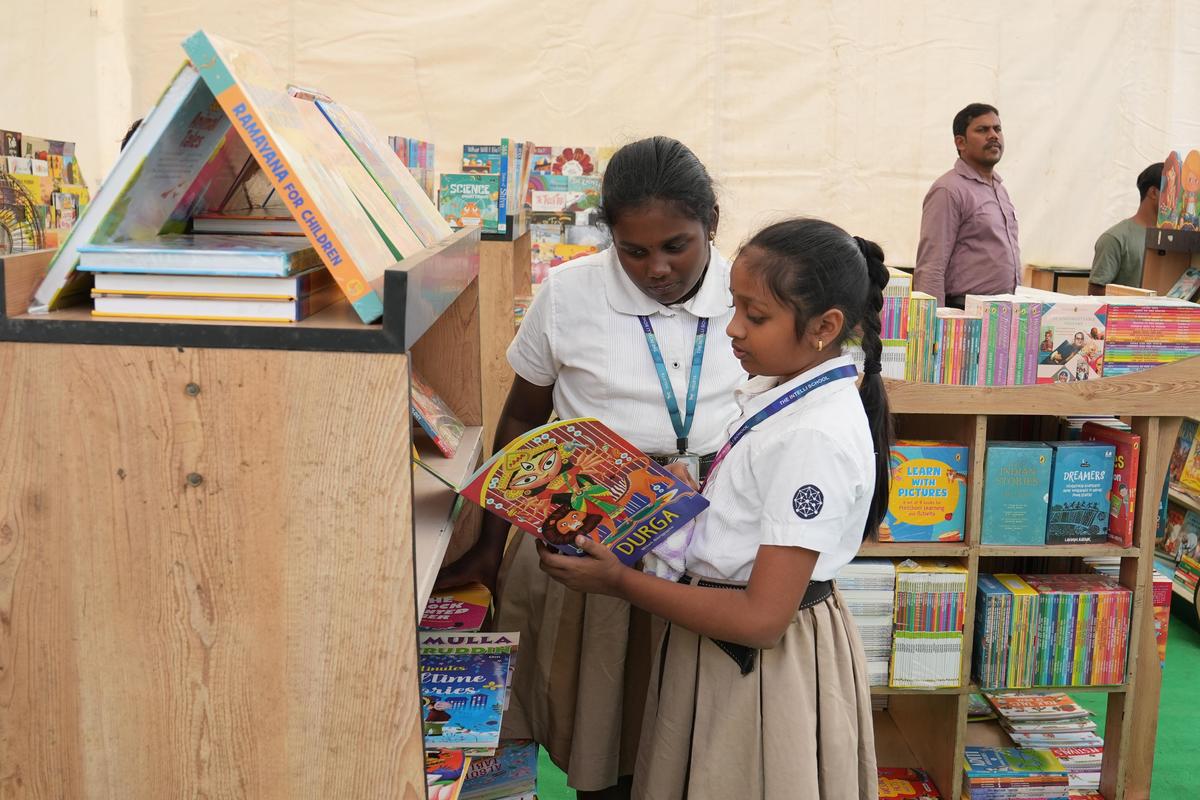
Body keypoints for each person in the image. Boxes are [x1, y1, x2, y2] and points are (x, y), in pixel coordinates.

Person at [436, 136, 746, 799]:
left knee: (699, 746)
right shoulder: (570, 292)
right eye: (634, 251)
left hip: (713, 546)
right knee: (601, 740)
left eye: (676, 246)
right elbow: (523, 419)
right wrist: (489, 546)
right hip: (595, 538)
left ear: (710, 226)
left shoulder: (750, 293)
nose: (656, 268)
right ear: (610, 237)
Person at [539, 218, 888, 799]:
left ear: (824, 327)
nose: (733, 329)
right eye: (735, 308)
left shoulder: (813, 435)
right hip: (720, 642)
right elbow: (754, 510)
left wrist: (619, 582)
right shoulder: (788, 394)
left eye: (756, 316)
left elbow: (761, 619)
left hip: (756, 668)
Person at [914, 102, 1021, 308]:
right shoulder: (948, 190)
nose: (993, 136)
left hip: (1004, 312)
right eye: (982, 130)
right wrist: (932, 325)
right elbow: (931, 265)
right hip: (964, 315)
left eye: (997, 129)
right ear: (961, 142)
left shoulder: (1000, 189)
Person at [1088, 162, 1163, 295]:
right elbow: (1095, 293)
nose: (1178, 199)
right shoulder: (1115, 238)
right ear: (1153, 193)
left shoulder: (1179, 241)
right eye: (1172, 191)